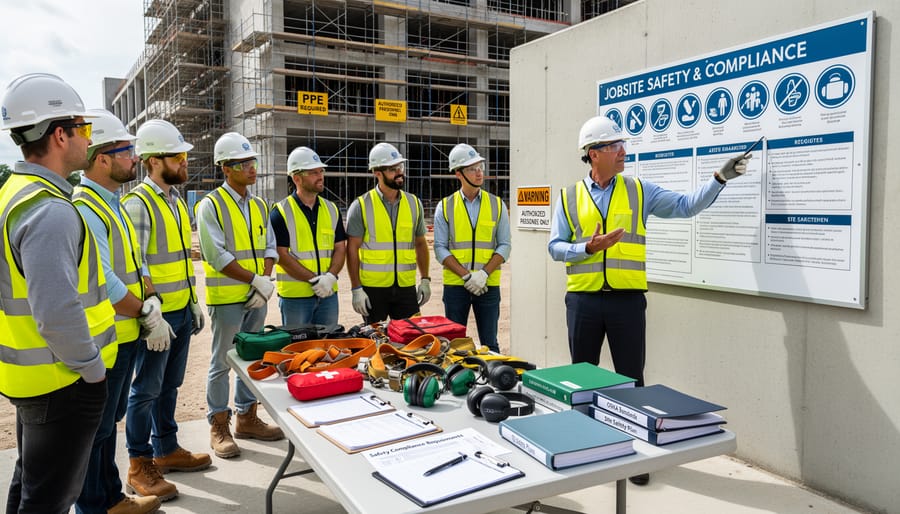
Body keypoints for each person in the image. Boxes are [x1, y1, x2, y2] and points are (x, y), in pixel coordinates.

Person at [548, 115, 750, 486]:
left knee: (632, 381)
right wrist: (587, 247)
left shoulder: (640, 190)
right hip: (583, 301)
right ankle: (584, 451)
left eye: (621, 145)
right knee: (582, 378)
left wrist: (719, 179)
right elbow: (555, 247)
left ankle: (635, 460)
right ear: (594, 154)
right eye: (613, 146)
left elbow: (687, 206)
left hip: (626, 302)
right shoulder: (568, 196)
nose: (623, 152)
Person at [0, 73, 117, 513]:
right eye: (83, 129)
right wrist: (92, 370)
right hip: (62, 381)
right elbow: (56, 309)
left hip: (34, 378)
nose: (89, 139)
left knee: (31, 488)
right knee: (50, 499)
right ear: (60, 134)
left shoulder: (15, 192)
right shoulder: (50, 210)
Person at [73, 109, 167, 513]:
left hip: (125, 334)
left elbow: (136, 262)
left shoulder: (112, 203)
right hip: (108, 336)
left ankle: (111, 496)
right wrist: (145, 312)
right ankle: (96, 504)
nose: (135, 157)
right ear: (102, 159)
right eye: (127, 150)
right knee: (95, 431)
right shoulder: (86, 207)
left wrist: (151, 298)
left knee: (106, 426)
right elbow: (105, 280)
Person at [123, 119, 211, 501]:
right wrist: (150, 312)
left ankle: (166, 449)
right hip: (156, 319)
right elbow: (136, 262)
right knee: (145, 390)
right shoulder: (138, 204)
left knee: (169, 387)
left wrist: (191, 301)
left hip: (177, 313)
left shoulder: (174, 203)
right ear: (154, 160)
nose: (184, 162)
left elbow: (178, 259)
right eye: (178, 156)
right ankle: (139, 464)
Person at [196, 132, 284, 459]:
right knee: (222, 362)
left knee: (252, 359)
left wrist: (265, 281)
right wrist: (256, 281)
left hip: (255, 298)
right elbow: (216, 256)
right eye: (243, 163)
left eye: (252, 162)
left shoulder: (260, 205)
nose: (251, 168)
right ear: (225, 168)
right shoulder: (211, 206)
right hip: (227, 299)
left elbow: (270, 247)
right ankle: (219, 423)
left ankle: (247, 417)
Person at [433, 144, 511, 353]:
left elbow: (505, 245)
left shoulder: (497, 204)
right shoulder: (446, 206)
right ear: (458, 173)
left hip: (488, 285)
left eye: (480, 166)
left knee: (490, 344)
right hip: (456, 286)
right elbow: (440, 249)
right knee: (453, 345)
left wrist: (484, 274)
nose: (479, 172)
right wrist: (467, 277)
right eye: (471, 168)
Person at [346, 142, 431, 323]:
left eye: (400, 166)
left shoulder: (414, 203)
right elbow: (351, 249)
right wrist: (356, 289)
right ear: (378, 173)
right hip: (373, 289)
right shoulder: (361, 205)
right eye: (392, 169)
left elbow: (421, 243)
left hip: (406, 288)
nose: (399, 172)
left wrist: (425, 279)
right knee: (377, 342)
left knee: (412, 343)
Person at [270, 146, 347, 333]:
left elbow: (340, 248)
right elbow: (281, 255)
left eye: (321, 171)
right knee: (298, 353)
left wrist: (330, 277)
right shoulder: (280, 212)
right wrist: (314, 280)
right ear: (297, 178)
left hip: (328, 295)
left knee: (328, 350)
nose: (320, 176)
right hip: (295, 298)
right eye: (313, 172)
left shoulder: (331, 209)